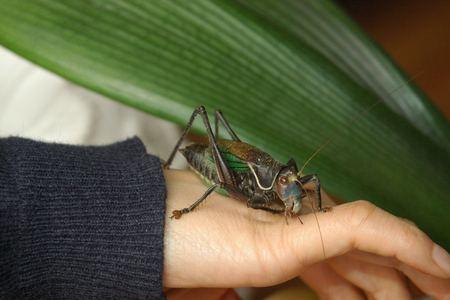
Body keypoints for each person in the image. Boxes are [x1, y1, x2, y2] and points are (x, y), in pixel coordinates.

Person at [1, 136, 449, 300]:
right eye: (291, 190)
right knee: (205, 117)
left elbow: (302, 181)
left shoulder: (293, 181)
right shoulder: (246, 184)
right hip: (218, 168)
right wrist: (159, 206)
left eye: (294, 188)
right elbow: (226, 181)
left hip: (252, 170)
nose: (294, 192)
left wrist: (305, 201)